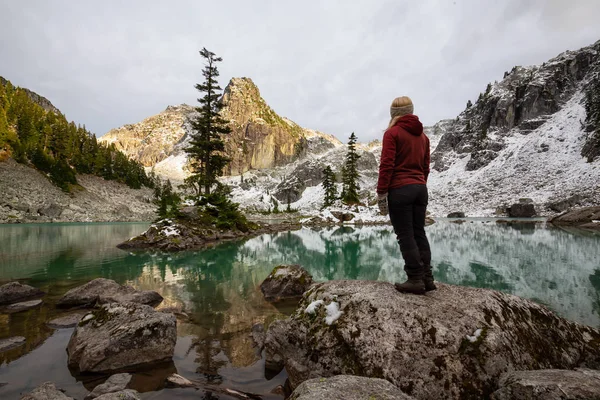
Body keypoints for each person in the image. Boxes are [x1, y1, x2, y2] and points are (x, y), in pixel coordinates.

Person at [376, 96, 435, 295]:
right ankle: (427, 278)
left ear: (394, 114)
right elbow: (425, 167)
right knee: (419, 232)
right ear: (411, 112)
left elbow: (387, 165)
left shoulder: (392, 133)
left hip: (400, 190)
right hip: (420, 188)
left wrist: (382, 193)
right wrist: (420, 183)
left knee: (405, 235)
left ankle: (415, 278)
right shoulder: (423, 137)